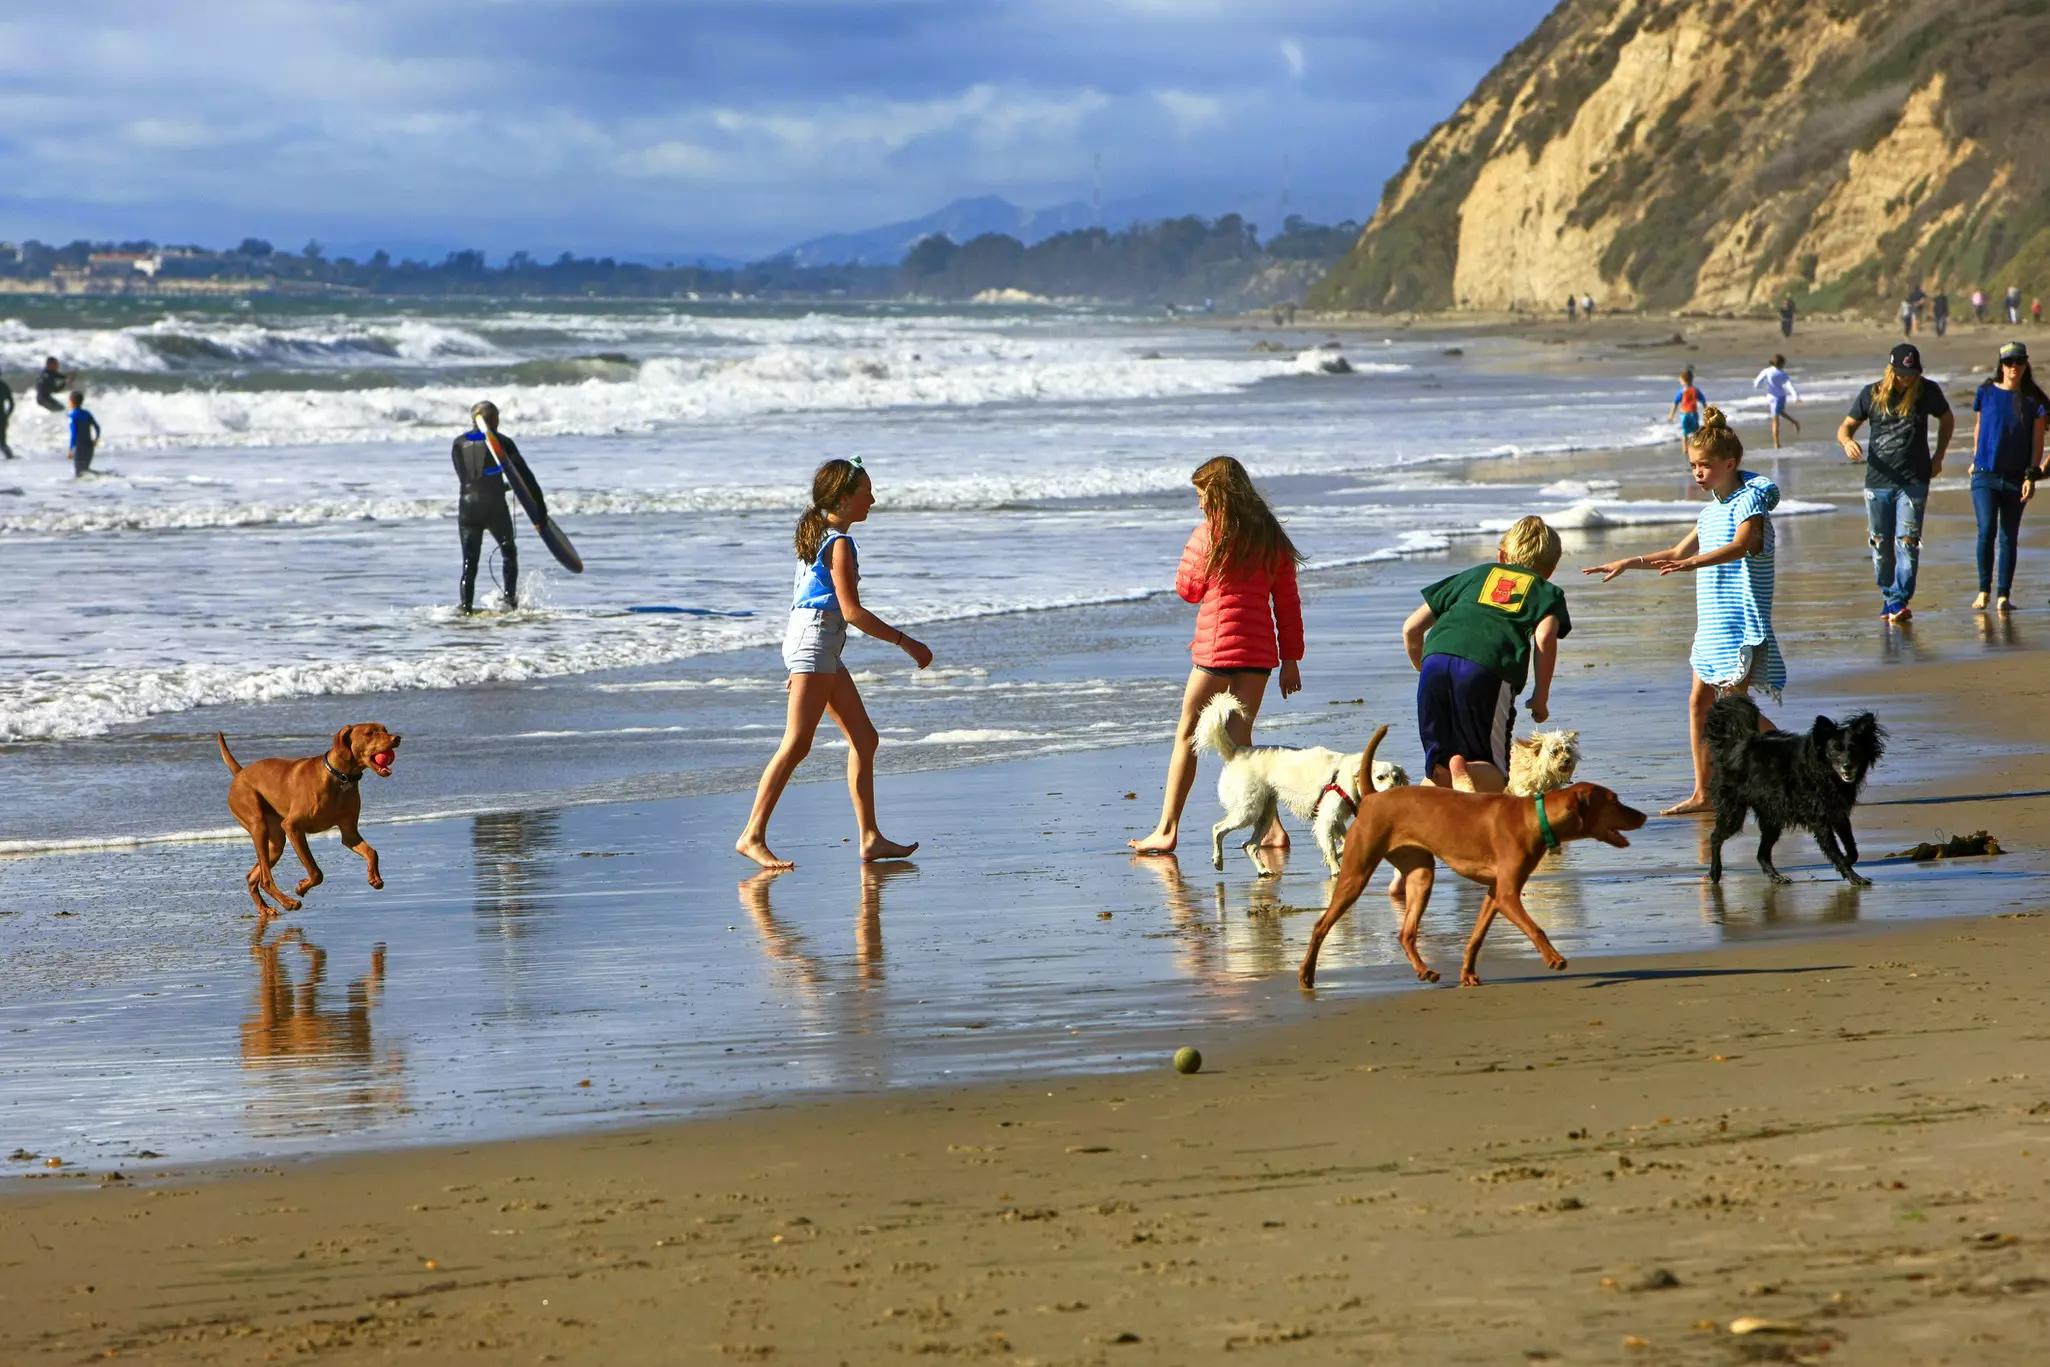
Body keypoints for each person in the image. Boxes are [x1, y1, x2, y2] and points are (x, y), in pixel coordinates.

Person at [735, 457, 931, 870]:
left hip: (816, 646)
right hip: (815, 645)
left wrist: (801, 664)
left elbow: (806, 605)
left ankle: (871, 837)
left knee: (865, 738)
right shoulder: (838, 543)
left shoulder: (821, 536)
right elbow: (852, 612)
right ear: (842, 499)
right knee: (797, 743)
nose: (873, 501)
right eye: (865, 495)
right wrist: (907, 643)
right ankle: (752, 835)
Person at [1585, 409, 1781, 816]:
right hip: (1710, 621)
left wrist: (1694, 564)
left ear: (1730, 463)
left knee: (1734, 709)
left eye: (1705, 465)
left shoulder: (1750, 503)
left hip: (1739, 619)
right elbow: (1676, 553)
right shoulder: (1710, 511)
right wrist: (1627, 561)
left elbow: (1743, 544)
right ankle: (1703, 792)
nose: (1698, 472)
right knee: (1699, 703)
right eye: (1693, 465)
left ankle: (1790, 763)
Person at [1129, 456, 1304, 855]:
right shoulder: (1270, 537)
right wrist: (1290, 659)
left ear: (1216, 494)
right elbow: (1288, 604)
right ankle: (1271, 829)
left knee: (1188, 734)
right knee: (1241, 741)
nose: (1198, 503)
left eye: (1201, 494)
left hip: (1216, 652)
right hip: (1259, 656)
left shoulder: (1208, 534)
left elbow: (1187, 589)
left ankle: (1168, 829)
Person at [1401, 516, 1569, 793]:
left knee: (1438, 768)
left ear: (1502, 556)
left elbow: (1411, 629)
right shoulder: (1545, 591)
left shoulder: (1476, 574)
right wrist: (1541, 696)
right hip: (1488, 670)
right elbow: (1544, 636)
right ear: (1550, 570)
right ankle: (1462, 770)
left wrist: (1426, 668)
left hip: (1435, 662)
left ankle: (1419, 823)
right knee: (1493, 770)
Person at [1839, 343, 1952, 624]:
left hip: (1914, 480)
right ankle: (1890, 598)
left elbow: (1947, 419)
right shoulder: (1872, 393)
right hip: (1877, 482)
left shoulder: (1928, 391)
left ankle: (1899, 598)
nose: (1906, 378)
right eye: (1901, 373)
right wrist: (1847, 442)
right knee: (1880, 544)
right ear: (1891, 370)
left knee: (1908, 541)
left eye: (1911, 373)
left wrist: (1938, 457)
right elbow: (1846, 427)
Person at [1968, 341, 2050, 613]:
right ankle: (1983, 591)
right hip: (1984, 474)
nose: (2014, 367)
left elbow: (2037, 443)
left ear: (2026, 364)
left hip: (2017, 478)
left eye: (2019, 361)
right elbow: (1979, 427)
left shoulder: (2034, 402)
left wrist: (2032, 475)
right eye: (2009, 362)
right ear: (2001, 364)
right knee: (1986, 529)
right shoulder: (1986, 392)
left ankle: (2003, 595)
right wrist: (1974, 458)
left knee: (2008, 536)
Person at [451, 400, 539, 614]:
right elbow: (523, 475)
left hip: (467, 508)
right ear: (493, 419)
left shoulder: (458, 443)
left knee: (469, 563)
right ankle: (510, 603)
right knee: (509, 552)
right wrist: (537, 505)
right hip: (494, 508)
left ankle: (465, 609)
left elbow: (468, 478)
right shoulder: (502, 442)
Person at [1753, 353, 1801, 448]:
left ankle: (1776, 444)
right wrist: (1795, 397)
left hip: (1771, 397)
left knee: (1775, 419)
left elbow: (1757, 383)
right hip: (1780, 397)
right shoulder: (1782, 374)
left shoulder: (1766, 371)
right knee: (1779, 413)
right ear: (1781, 364)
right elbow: (1790, 386)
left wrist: (1761, 386)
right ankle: (1795, 422)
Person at [1667, 367, 1707, 453]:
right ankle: (1697, 448)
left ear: (1683, 380)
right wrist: (1707, 411)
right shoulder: (1695, 390)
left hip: (1684, 414)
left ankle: (1684, 449)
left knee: (1685, 432)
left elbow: (1675, 403)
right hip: (1693, 414)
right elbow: (1703, 400)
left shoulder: (1682, 391)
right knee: (1696, 432)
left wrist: (1671, 414)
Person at [65, 390, 99, 477]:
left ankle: (82, 490)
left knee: (79, 474)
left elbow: (74, 433)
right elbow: (97, 428)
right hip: (89, 446)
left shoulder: (72, 416)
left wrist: (71, 449)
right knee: (85, 470)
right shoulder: (87, 414)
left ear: (71, 402)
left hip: (80, 447)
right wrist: (96, 440)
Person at [0, 372, 13, 458]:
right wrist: (7, 415)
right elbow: (11, 403)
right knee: (2, 442)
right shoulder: (3, 386)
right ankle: (10, 457)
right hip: (2, 416)